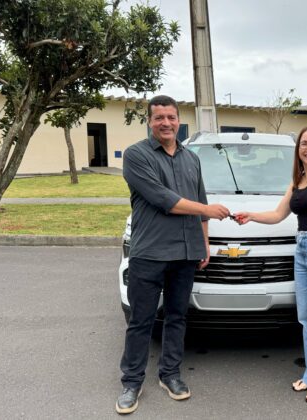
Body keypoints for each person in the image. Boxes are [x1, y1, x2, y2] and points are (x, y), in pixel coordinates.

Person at [116, 95, 230, 414]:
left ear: (179, 120)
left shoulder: (191, 158)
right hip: (149, 253)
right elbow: (165, 199)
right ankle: (131, 382)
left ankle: (170, 374)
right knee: (141, 320)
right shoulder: (136, 156)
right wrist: (206, 209)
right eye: (159, 118)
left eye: (171, 117)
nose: (166, 123)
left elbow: (200, 202)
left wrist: (204, 243)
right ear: (150, 122)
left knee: (177, 317)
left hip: (185, 253)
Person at [235, 126, 307, 404]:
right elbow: (277, 214)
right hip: (303, 249)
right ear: (299, 149)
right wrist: (251, 216)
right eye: (304, 144)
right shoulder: (297, 179)